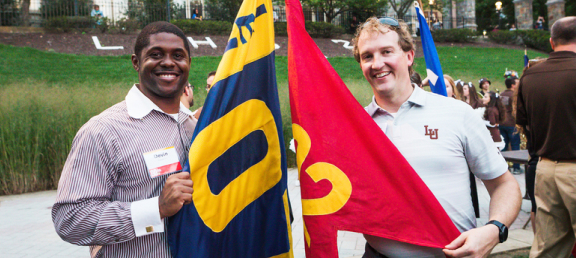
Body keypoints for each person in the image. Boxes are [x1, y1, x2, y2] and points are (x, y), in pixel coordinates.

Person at [353, 17, 521, 258]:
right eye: (367, 56)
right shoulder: (356, 127)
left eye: (386, 51)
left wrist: (495, 230)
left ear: (409, 56)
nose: (377, 63)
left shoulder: (456, 113)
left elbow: (504, 184)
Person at [52, 21, 196, 257]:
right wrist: (156, 209)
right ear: (136, 62)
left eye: (178, 55)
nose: (168, 62)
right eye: (156, 54)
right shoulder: (103, 131)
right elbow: (70, 220)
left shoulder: (195, 127)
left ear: (188, 63)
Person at [516, 16, 576, 258]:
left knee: (548, 248)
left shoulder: (530, 76)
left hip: (546, 170)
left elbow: (524, 124)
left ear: (552, 42)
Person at [500, 75, 521, 173]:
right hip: (512, 124)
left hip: (502, 122)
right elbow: (516, 110)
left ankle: (504, 168)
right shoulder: (514, 95)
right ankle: (516, 167)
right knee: (515, 145)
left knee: (504, 146)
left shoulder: (501, 94)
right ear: (513, 85)